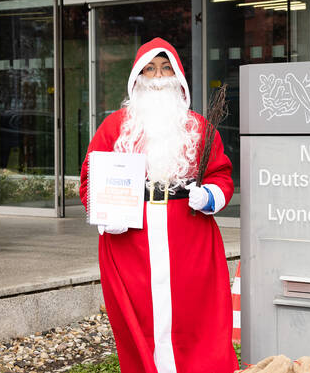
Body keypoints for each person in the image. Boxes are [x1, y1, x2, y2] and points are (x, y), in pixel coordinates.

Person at [79, 37, 237, 373]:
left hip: (190, 239)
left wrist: (209, 195)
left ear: (178, 76)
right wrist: (106, 216)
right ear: (137, 78)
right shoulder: (114, 127)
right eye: (150, 69)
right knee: (138, 319)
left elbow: (222, 175)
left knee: (195, 316)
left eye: (166, 68)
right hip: (130, 244)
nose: (158, 77)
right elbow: (89, 179)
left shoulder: (198, 127)